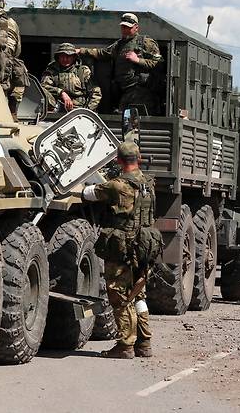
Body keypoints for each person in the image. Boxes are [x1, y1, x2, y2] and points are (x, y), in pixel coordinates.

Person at [82, 142, 155, 359]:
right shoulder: (149, 184)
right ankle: (145, 342)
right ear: (139, 158)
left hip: (123, 247)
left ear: (118, 161)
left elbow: (88, 194)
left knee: (119, 294)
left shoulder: (117, 185)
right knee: (139, 294)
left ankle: (125, 345)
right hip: (144, 245)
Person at [78, 13, 163, 115]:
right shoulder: (119, 44)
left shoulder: (146, 42)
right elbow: (103, 53)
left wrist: (138, 60)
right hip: (125, 90)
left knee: (132, 121)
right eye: (123, 27)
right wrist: (81, 51)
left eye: (128, 27)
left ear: (136, 27)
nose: (124, 30)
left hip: (141, 91)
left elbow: (158, 62)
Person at [41, 43, 102, 112]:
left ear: (74, 57)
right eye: (62, 56)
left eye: (68, 56)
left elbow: (96, 93)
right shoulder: (52, 70)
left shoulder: (82, 71)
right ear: (58, 57)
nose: (65, 59)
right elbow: (43, 87)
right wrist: (61, 93)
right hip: (57, 110)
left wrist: (86, 111)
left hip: (79, 111)